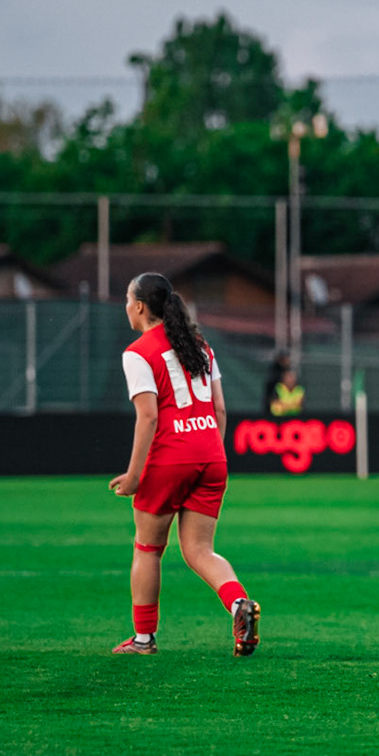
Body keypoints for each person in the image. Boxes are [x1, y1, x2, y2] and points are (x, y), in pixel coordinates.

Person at [109, 272, 259, 658]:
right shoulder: (200, 346)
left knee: (147, 549)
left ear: (140, 306)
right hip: (211, 454)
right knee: (199, 551)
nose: (126, 306)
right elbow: (220, 408)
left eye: (128, 299)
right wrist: (209, 450)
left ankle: (143, 639)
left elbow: (148, 419)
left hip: (170, 458)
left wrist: (134, 476)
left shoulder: (138, 352)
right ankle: (238, 603)